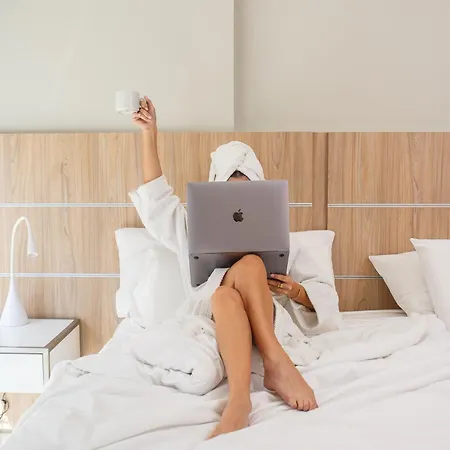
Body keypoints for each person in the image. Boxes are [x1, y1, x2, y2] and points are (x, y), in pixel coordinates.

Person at [131, 97, 322, 439]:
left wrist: (295, 291)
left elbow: (321, 296)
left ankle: (239, 402)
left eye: (246, 198)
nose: (239, 211)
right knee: (225, 292)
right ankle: (273, 366)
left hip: (260, 314)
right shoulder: (191, 226)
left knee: (245, 274)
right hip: (210, 315)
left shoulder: (282, 236)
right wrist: (149, 133)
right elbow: (157, 197)